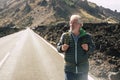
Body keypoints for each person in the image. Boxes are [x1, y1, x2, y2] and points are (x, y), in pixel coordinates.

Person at [57, 15, 95, 80]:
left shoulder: (87, 36)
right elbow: (58, 47)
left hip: (83, 70)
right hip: (69, 70)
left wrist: (88, 48)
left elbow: (93, 48)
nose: (71, 24)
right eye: (70, 22)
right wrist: (61, 48)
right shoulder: (65, 36)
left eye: (74, 22)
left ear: (80, 25)